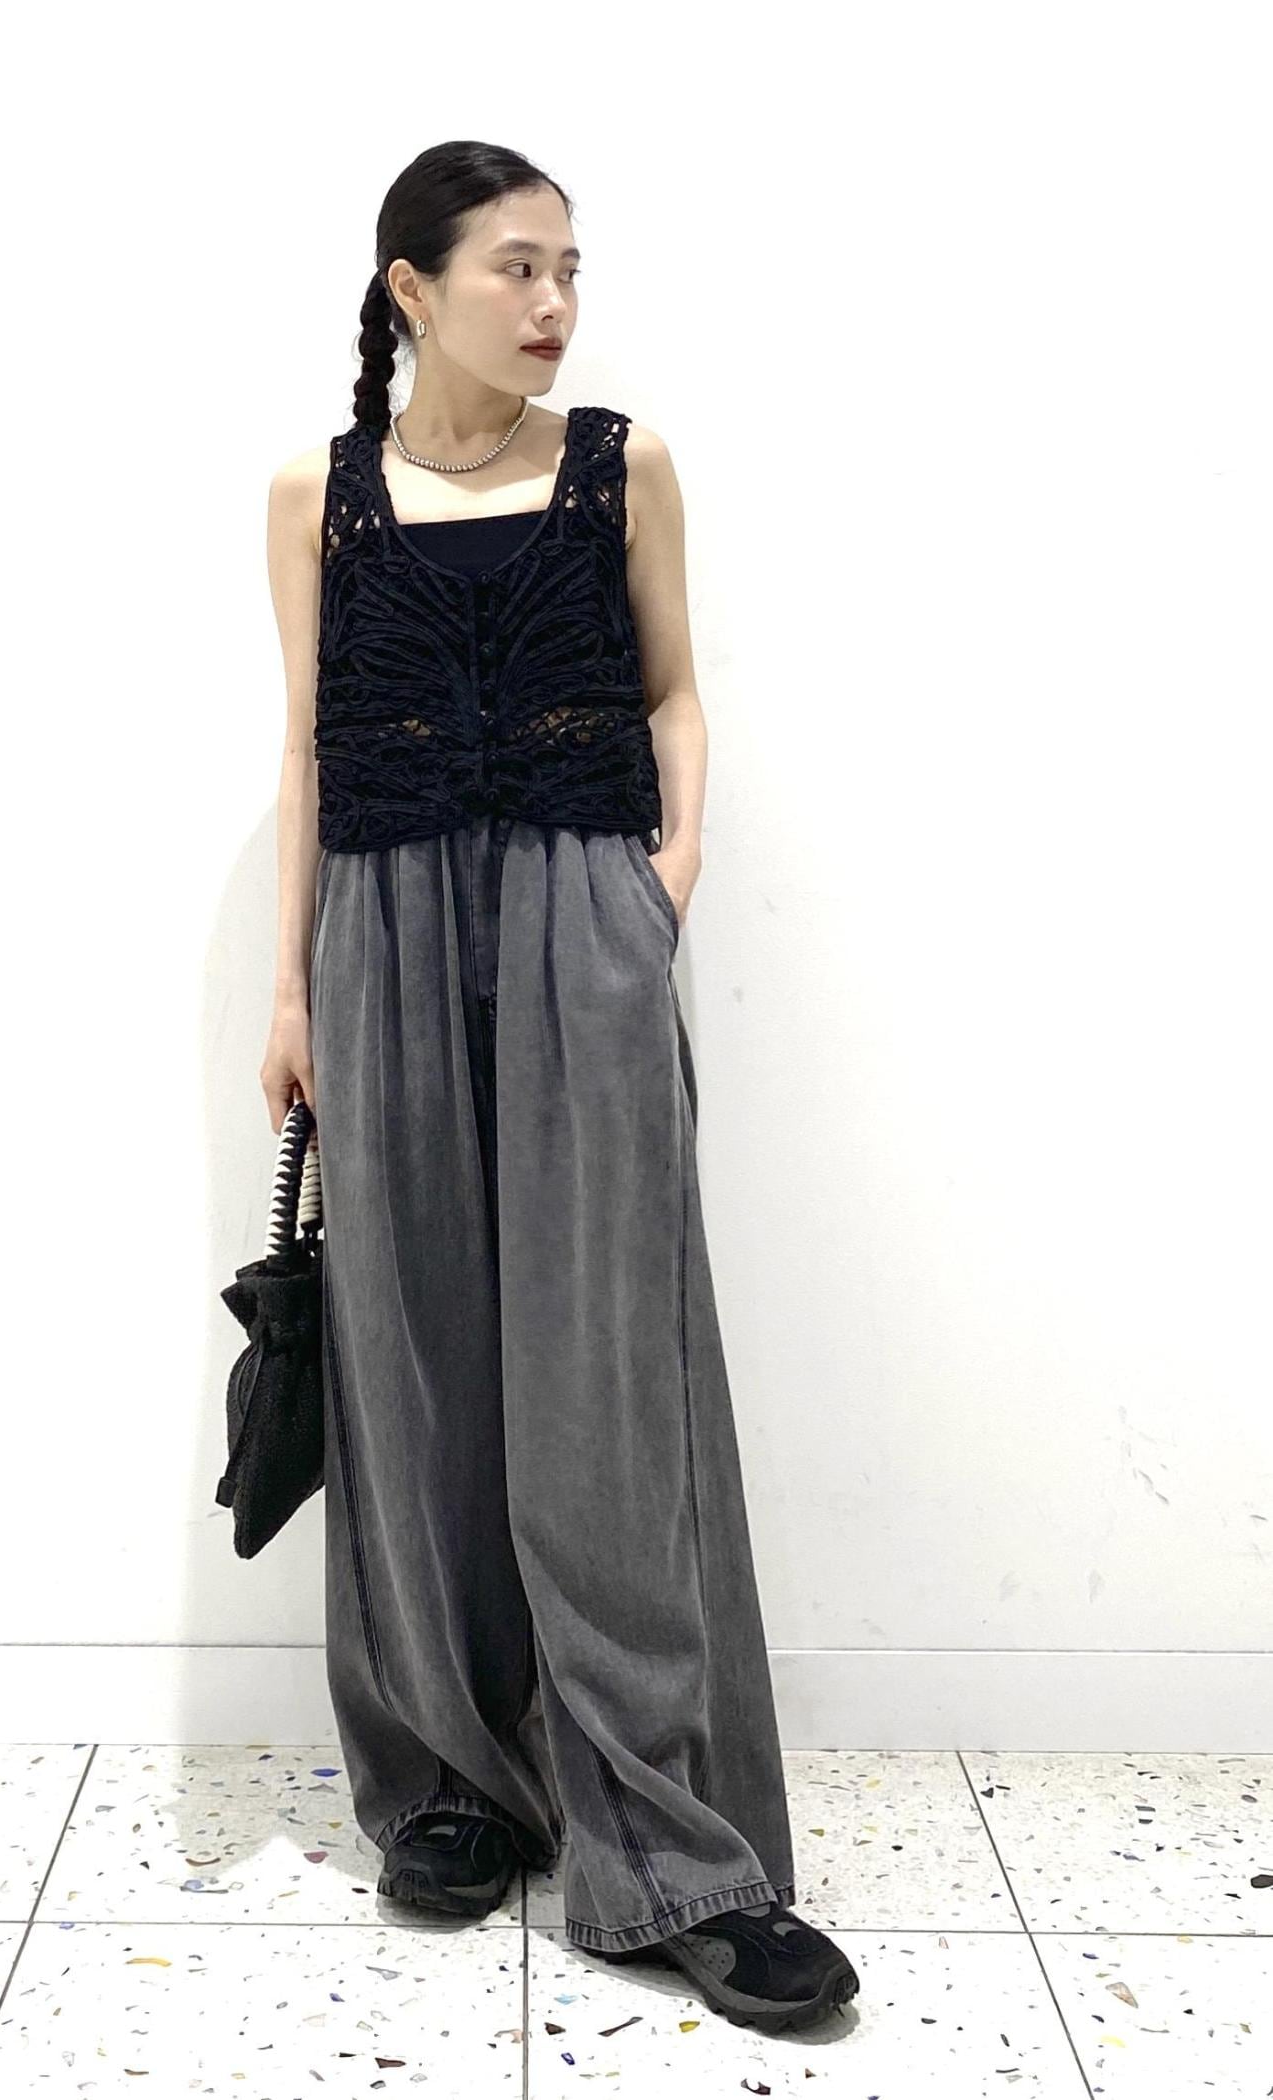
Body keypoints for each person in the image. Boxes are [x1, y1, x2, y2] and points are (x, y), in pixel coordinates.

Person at [260, 139, 860, 2037]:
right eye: (517, 267)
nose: (554, 304)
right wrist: (290, 985)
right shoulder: (319, 494)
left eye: (571, 270)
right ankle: (451, 1784)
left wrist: (659, 885)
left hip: (579, 922)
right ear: (410, 288)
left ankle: (672, 1845)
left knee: (605, 1380)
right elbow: (308, 744)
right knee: (414, 1358)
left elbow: (675, 693)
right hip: (380, 938)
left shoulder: (620, 465)